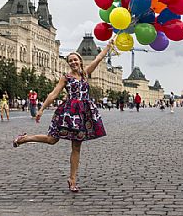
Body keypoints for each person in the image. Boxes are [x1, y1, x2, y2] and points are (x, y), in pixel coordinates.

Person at [12, 41, 112, 192]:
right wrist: (41, 109)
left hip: (83, 113)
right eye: (70, 60)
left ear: (80, 61)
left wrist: (109, 47)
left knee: (76, 146)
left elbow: (98, 59)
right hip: (68, 112)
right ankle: (24, 139)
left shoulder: (85, 74)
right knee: (52, 140)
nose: (73, 62)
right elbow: (54, 94)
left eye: (75, 59)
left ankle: (72, 180)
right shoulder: (65, 78)